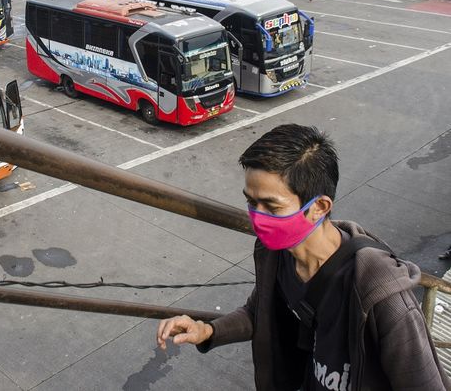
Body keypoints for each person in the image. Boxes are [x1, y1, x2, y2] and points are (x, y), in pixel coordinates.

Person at [157, 124, 450, 391]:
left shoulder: (379, 291)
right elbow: (259, 311)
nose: (258, 217)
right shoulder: (275, 253)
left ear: (320, 207)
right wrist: (206, 330)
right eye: (251, 202)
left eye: (271, 206)